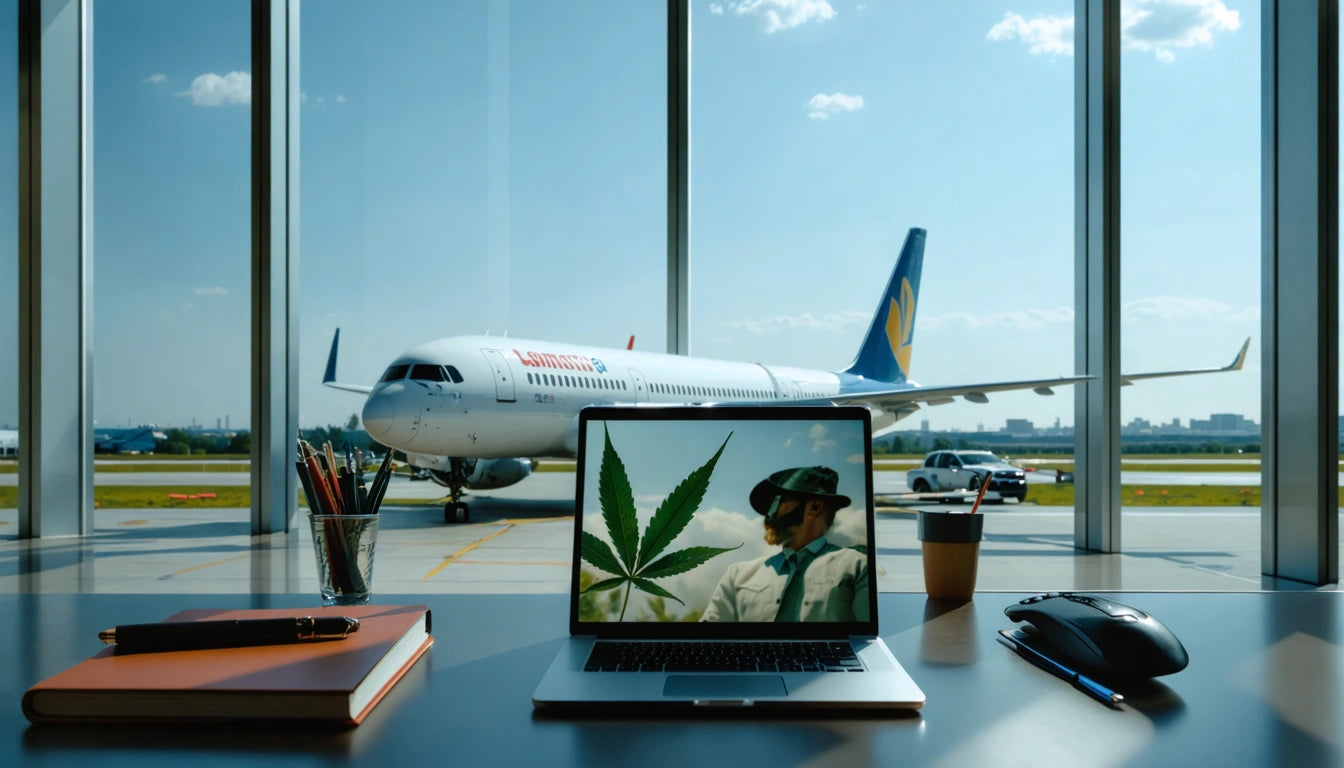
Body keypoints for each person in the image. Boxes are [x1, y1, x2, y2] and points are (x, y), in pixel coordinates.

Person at [701, 466, 869, 622]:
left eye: (777, 502)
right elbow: (706, 639)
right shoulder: (737, 575)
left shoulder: (859, 567)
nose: (769, 516)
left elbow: (864, 640)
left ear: (815, 507)